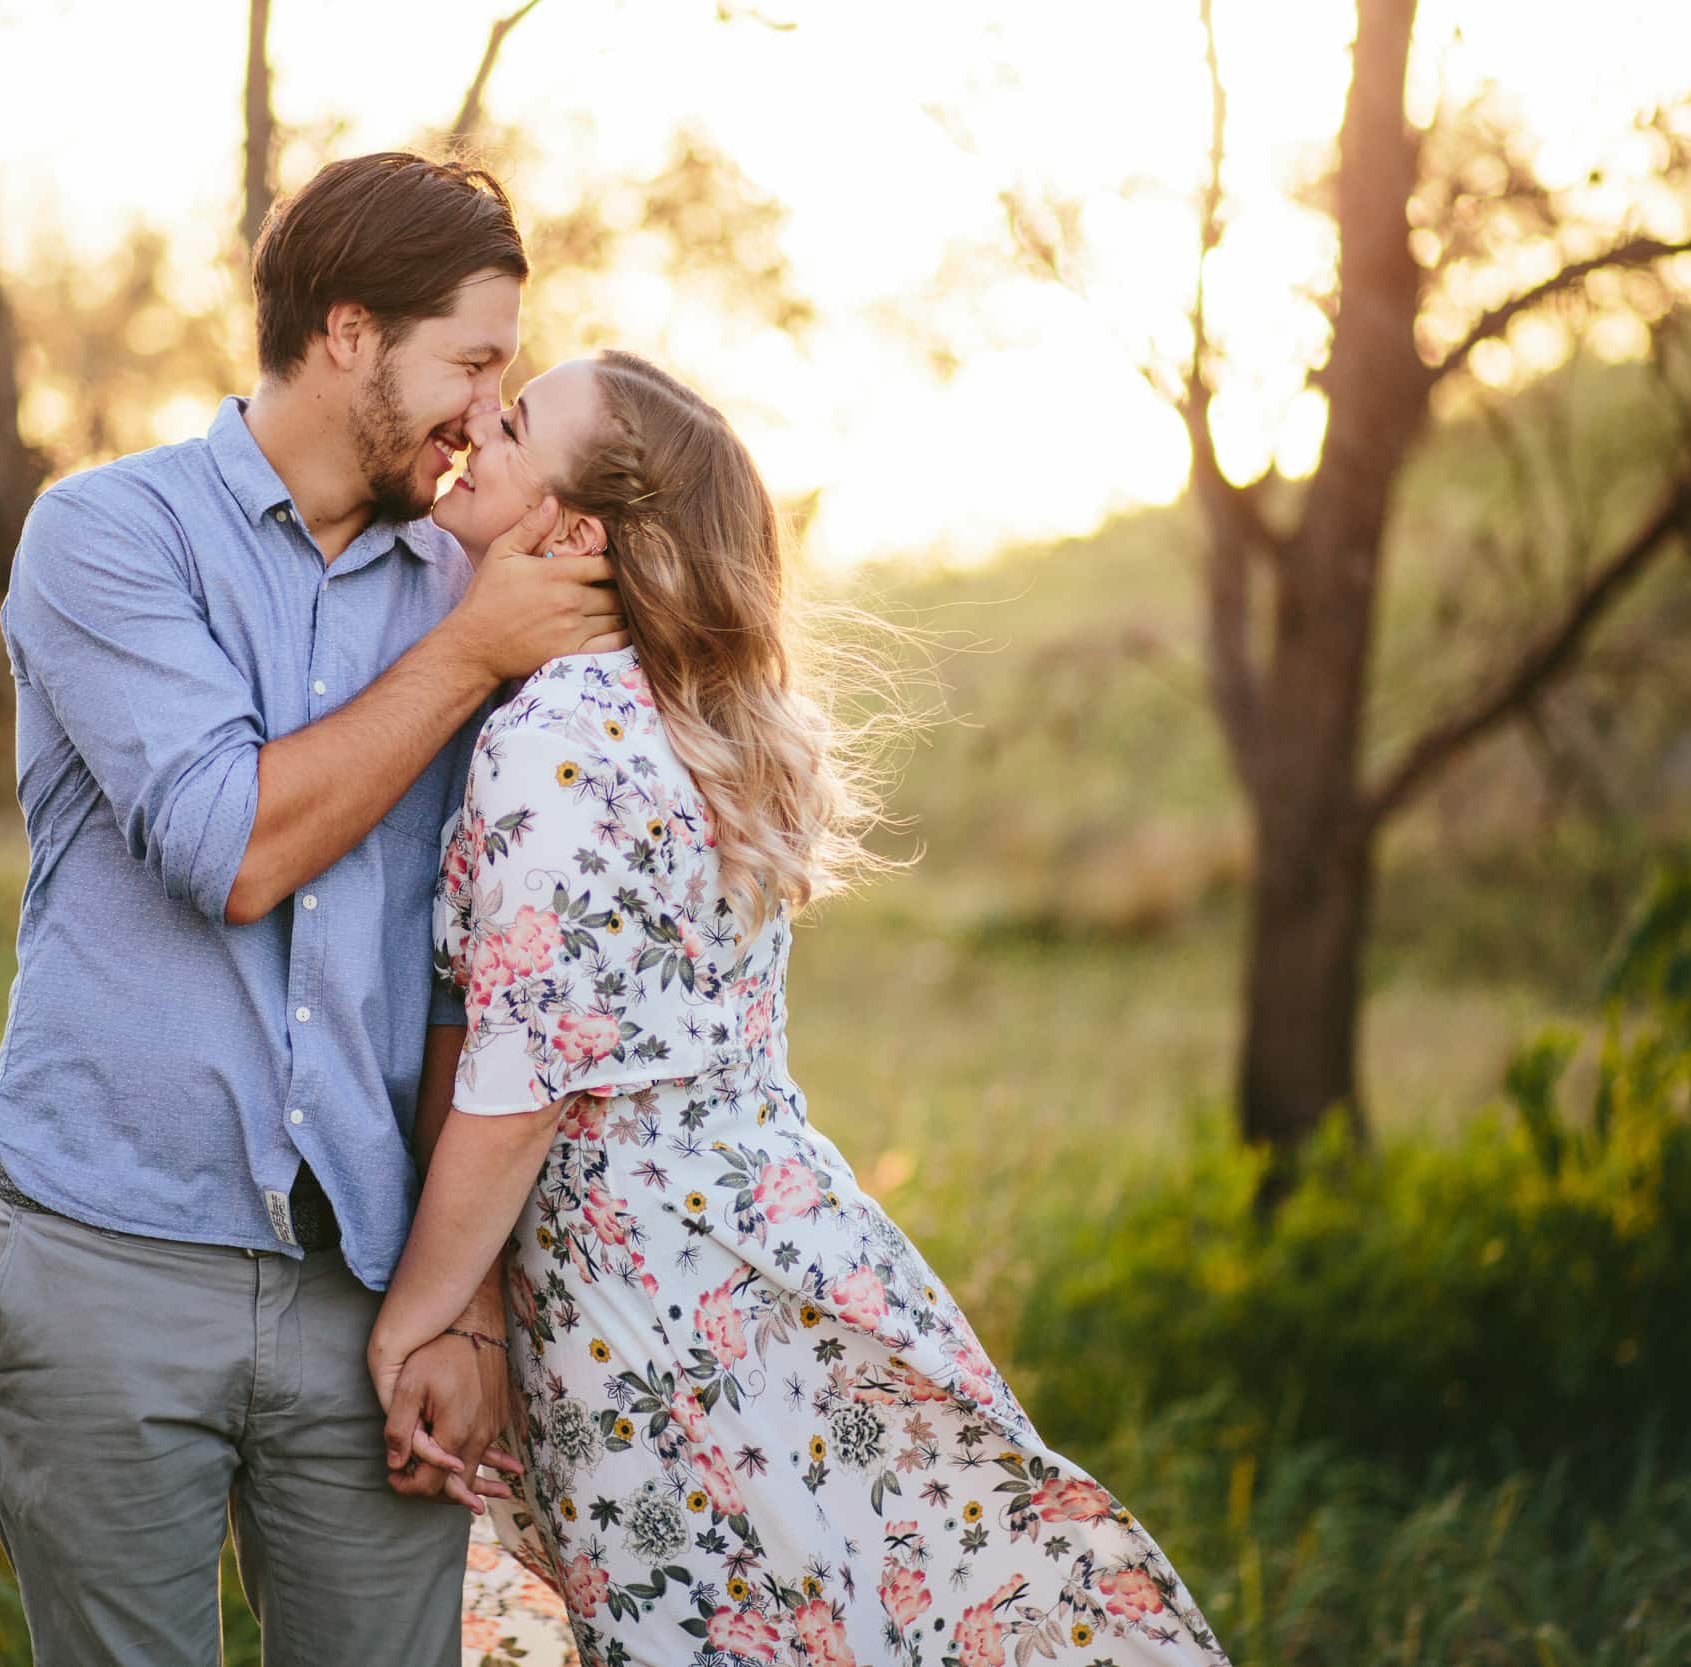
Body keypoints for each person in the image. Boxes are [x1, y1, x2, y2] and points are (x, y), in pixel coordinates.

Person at [372, 351, 1234, 1666]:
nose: (476, 430)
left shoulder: (553, 738)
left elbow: (520, 1090)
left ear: (575, 531)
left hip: (650, 1296)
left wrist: (411, 1316)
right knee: (842, 1610)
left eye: (515, 422)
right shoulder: (687, 718)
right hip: (777, 1241)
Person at [0, 152, 622, 1667]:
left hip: (371, 1295)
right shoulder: (108, 539)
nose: (483, 409)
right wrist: (469, 661)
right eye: (469, 362)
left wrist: (459, 1312)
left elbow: (487, 978)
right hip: (109, 1262)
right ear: (347, 334)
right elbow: (230, 844)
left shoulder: (466, 578)